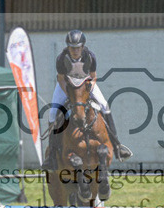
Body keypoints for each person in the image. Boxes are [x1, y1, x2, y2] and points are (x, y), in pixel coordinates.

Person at [43, 30, 132, 169]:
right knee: (53, 113)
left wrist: (86, 91)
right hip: (66, 85)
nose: (75, 51)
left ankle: (117, 146)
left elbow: (93, 76)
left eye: (77, 48)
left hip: (86, 84)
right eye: (72, 48)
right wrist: (70, 94)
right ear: (68, 47)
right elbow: (60, 79)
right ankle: (52, 154)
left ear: (82, 46)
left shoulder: (90, 56)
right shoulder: (61, 58)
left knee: (104, 105)